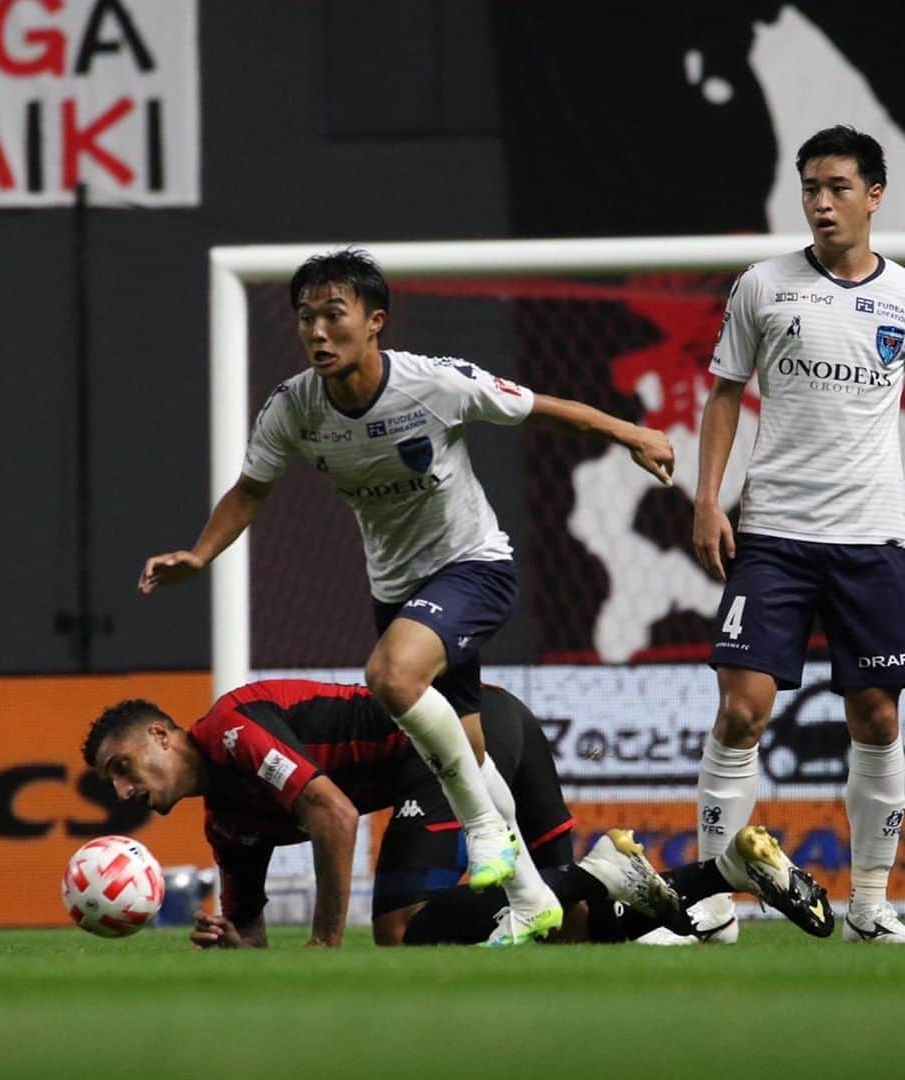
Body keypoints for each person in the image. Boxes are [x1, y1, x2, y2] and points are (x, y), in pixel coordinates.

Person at [138, 248, 676, 945]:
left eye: (335, 315)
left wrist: (631, 432)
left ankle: (488, 838)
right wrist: (199, 553)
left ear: (375, 322)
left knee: (390, 677)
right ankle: (540, 896)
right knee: (471, 759)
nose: (318, 332)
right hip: (396, 591)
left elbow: (544, 412)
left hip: (473, 566)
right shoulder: (294, 407)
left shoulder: (434, 385)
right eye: (306, 319)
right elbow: (250, 489)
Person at [80, 680, 833, 948]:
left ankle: (601, 873)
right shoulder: (225, 824)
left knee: (402, 926)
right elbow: (246, 926)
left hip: (451, 740)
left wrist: (323, 943)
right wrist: (233, 939)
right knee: (564, 928)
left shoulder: (230, 728)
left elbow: (334, 815)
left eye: (122, 767)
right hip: (499, 721)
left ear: (161, 735)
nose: (123, 791)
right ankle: (728, 868)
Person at [687, 125, 905, 945]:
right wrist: (709, 500)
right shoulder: (764, 287)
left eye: (837, 186)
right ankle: (712, 900)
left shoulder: (903, 298)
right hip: (775, 532)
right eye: (810, 186)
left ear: (874, 194)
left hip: (875, 537)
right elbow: (723, 395)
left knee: (879, 719)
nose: (820, 202)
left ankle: (871, 905)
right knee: (741, 712)